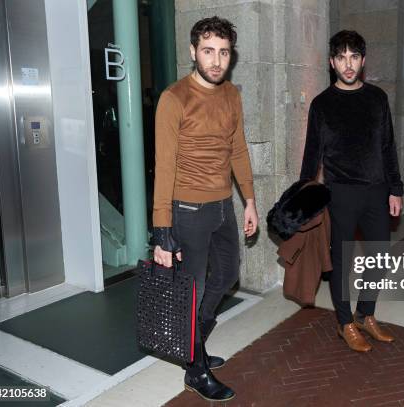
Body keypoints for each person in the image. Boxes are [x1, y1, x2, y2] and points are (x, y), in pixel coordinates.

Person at [151, 16, 258, 402]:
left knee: (228, 274)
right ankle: (196, 369)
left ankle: (193, 339)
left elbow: (239, 150)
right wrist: (162, 232)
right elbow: (164, 166)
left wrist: (249, 200)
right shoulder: (173, 98)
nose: (216, 60)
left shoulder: (231, 94)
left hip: (221, 205)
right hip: (186, 209)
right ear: (193, 51)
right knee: (192, 290)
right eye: (208, 51)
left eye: (224, 52)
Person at [300, 30, 403, 352]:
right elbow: (311, 153)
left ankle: (365, 313)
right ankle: (345, 323)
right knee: (341, 263)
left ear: (363, 61)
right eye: (341, 57)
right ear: (332, 62)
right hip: (341, 194)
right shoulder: (322, 104)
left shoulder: (377, 98)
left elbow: (387, 146)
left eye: (354, 57)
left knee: (380, 257)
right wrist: (304, 198)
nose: (348, 64)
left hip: (377, 190)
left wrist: (395, 188)